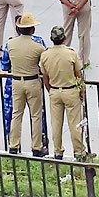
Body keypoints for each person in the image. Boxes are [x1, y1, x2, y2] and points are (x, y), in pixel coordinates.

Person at [40, 26, 86, 161]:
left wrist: (51, 90)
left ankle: (58, 151)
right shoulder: (71, 53)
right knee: (75, 124)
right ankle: (79, 152)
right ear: (64, 38)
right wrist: (81, 90)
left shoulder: (45, 54)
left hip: (54, 90)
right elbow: (78, 74)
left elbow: (45, 77)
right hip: (70, 90)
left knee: (56, 123)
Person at [4, 12, 47, 155]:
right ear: (32, 29)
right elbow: (45, 65)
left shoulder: (10, 43)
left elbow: (4, 65)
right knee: (36, 115)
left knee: (17, 114)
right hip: (33, 81)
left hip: (16, 81)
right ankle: (37, 147)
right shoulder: (38, 46)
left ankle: (13, 145)